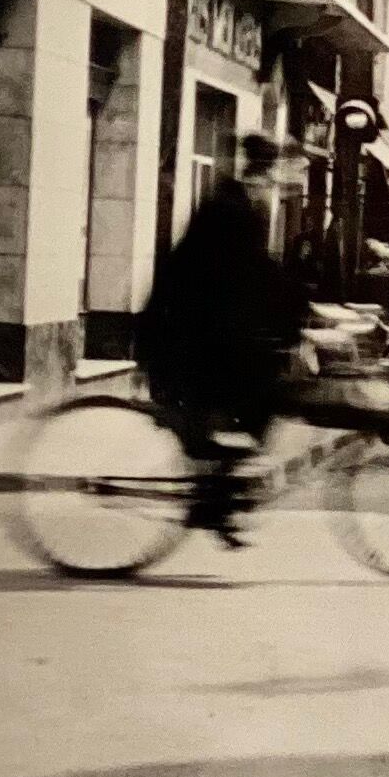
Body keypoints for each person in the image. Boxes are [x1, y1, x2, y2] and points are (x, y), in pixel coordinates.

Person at [137, 133, 309, 543]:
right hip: (188, 337)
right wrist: (301, 314)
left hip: (195, 331)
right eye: (271, 175)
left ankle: (218, 490)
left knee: (253, 401)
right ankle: (214, 496)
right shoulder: (234, 209)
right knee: (267, 396)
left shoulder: (236, 203)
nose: (274, 185)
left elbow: (255, 275)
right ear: (261, 172)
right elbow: (254, 273)